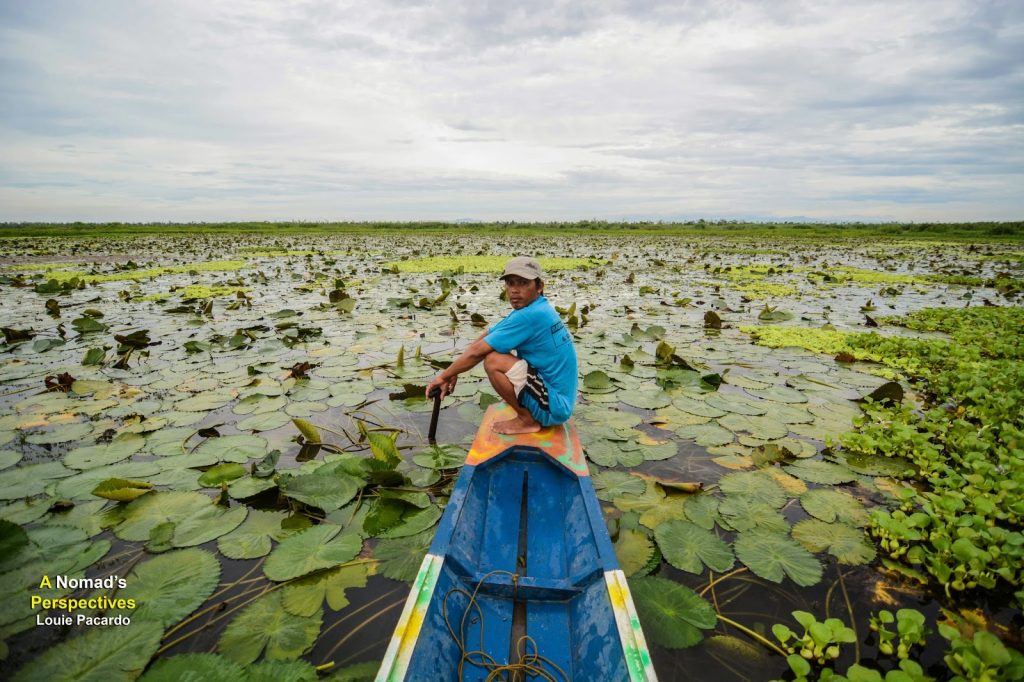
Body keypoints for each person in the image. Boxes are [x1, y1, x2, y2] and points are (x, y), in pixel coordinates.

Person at [425, 257, 578, 434]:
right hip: (555, 400)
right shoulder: (535, 308)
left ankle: (527, 420)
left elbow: (478, 352)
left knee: (493, 360)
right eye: (510, 283)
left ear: (539, 286)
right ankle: (528, 410)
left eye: (523, 283)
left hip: (555, 407)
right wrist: (454, 371)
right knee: (492, 354)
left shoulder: (531, 315)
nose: (514, 290)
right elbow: (488, 336)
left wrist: (443, 376)